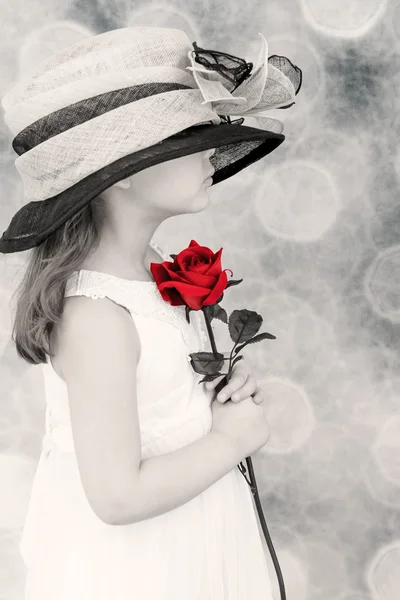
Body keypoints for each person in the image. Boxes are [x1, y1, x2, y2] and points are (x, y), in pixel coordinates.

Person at [0, 26, 301, 599]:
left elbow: (156, 400)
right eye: (191, 137)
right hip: (142, 569)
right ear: (128, 167)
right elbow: (117, 496)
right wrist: (229, 442)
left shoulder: (152, 270)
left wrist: (212, 401)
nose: (212, 150)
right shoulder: (97, 316)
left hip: (195, 539)